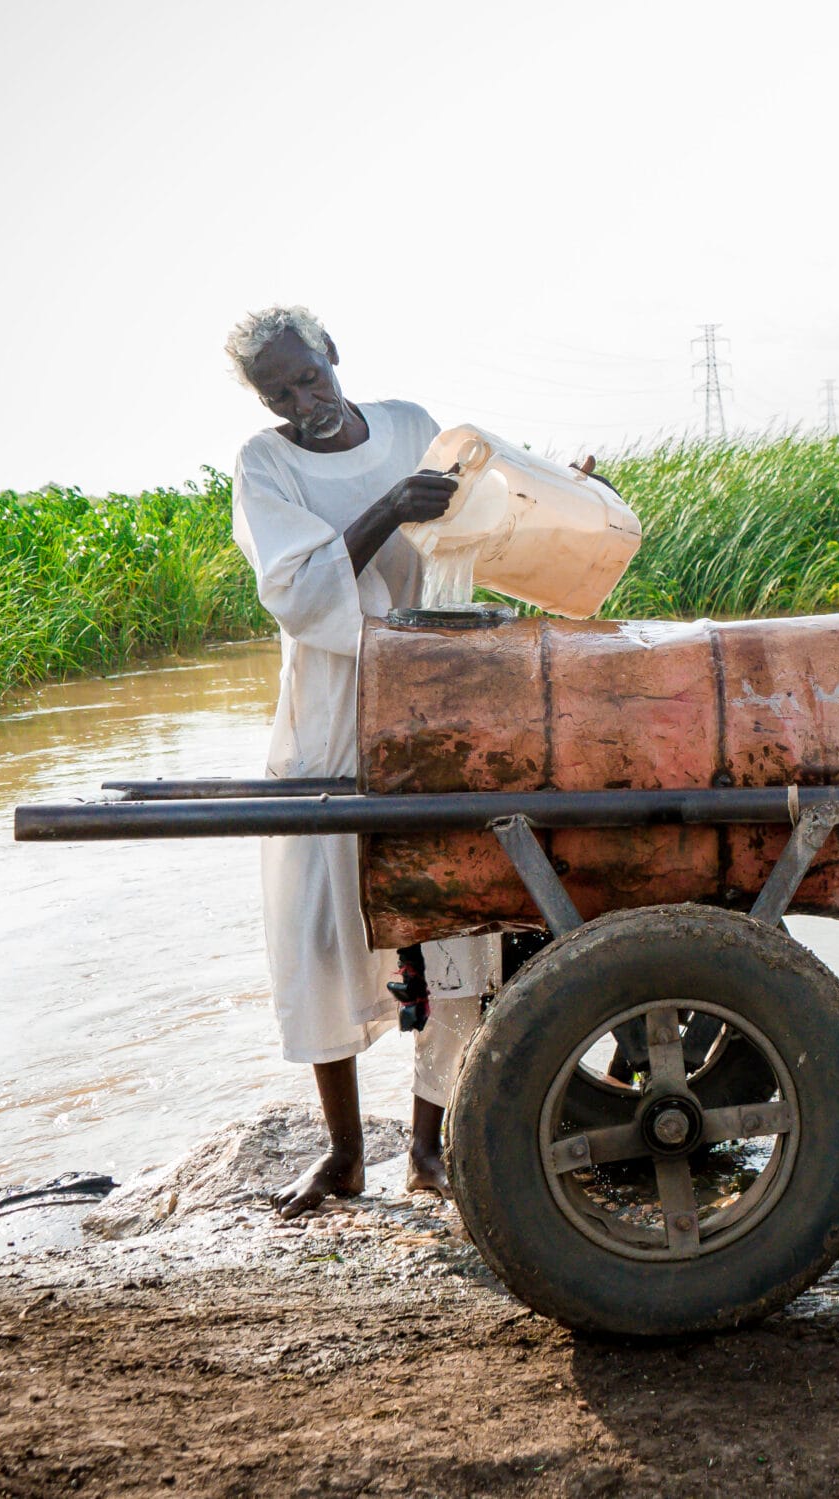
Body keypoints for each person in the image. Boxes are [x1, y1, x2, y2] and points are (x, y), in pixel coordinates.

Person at [225, 305, 483, 1217]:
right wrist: (385, 509)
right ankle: (342, 1151)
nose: (304, 400)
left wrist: (557, 491)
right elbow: (298, 593)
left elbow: (488, 514)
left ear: (334, 355)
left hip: (432, 696)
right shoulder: (267, 464)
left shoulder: (411, 425)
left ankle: (426, 1144)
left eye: (310, 376)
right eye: (280, 391)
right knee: (317, 924)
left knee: (455, 920)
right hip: (329, 713)